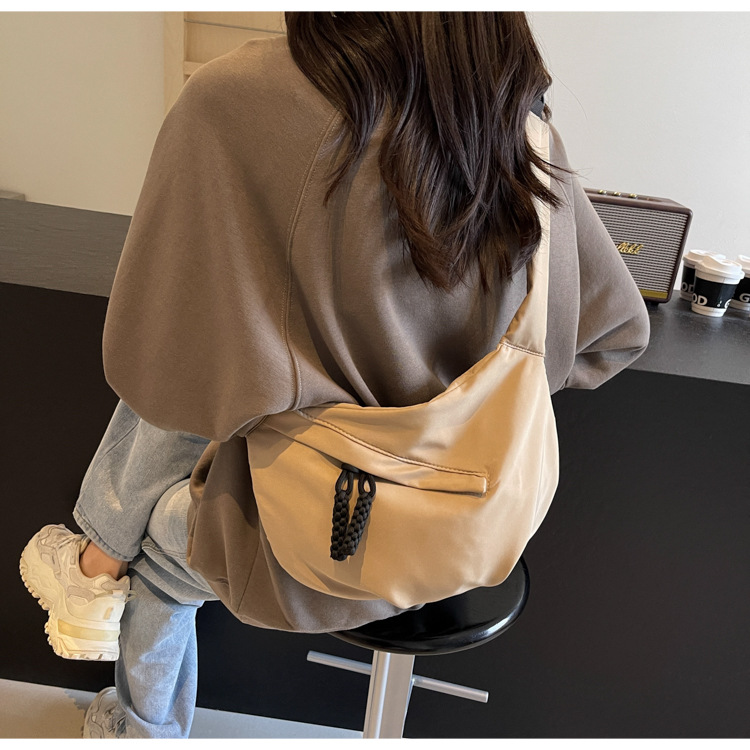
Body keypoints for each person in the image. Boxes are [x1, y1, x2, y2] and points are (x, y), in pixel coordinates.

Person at [19, 11, 650, 739]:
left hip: (317, 542)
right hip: (479, 526)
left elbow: (165, 375)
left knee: (158, 549)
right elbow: (612, 334)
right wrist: (446, 407)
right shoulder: (517, 126)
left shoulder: (236, 98)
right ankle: (97, 566)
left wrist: (311, 390)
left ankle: (115, 638)